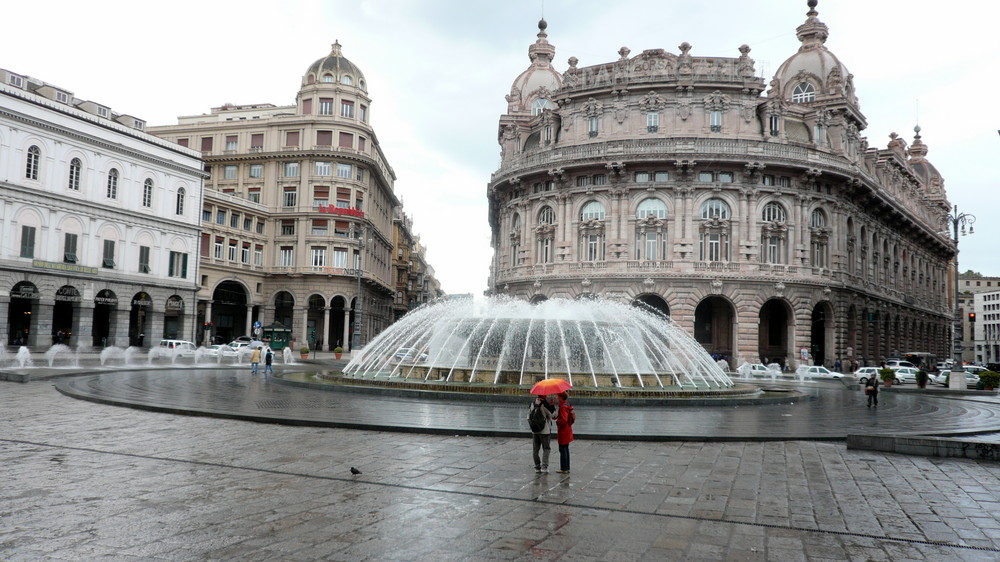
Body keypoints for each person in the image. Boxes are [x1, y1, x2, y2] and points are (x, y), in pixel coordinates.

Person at [528, 395, 555, 473]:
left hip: (535, 430)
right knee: (546, 448)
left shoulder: (532, 404)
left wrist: (533, 425)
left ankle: (537, 466)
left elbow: (528, 416)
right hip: (545, 431)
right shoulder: (545, 404)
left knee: (535, 449)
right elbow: (553, 415)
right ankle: (544, 466)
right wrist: (552, 405)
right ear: (544, 395)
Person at [555, 392, 574, 474]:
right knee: (565, 449)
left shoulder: (562, 407)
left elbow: (564, 419)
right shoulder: (567, 405)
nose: (556, 398)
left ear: (561, 398)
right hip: (567, 430)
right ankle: (566, 467)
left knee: (562, 449)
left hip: (563, 431)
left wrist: (557, 422)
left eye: (558, 396)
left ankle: (564, 468)